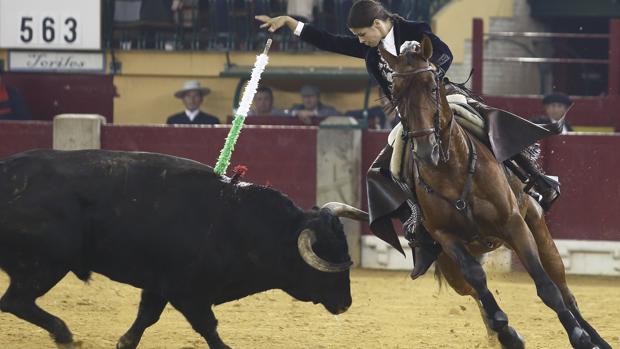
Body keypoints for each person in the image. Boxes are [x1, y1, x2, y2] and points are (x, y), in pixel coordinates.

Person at [256, 0, 561, 279]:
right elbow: (330, 42)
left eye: (363, 34)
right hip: (410, 121)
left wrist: (428, 76)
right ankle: (419, 225)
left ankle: (534, 177)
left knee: (484, 121)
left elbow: (445, 53)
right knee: (385, 169)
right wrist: (290, 23)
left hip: (442, 101)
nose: (361, 40)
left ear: (378, 25)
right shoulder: (370, 50)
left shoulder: (414, 31)